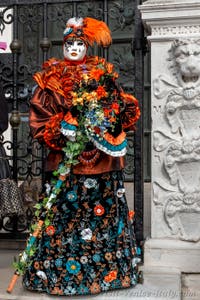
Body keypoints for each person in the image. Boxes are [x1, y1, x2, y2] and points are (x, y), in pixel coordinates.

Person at [22, 17, 141, 296]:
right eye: (69, 44)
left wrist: (105, 118)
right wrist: (67, 125)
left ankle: (107, 274)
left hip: (102, 162)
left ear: (87, 47)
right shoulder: (50, 80)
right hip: (67, 164)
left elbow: (121, 114)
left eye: (79, 43)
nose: (74, 48)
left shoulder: (104, 75)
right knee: (64, 218)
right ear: (62, 46)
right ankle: (61, 277)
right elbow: (39, 124)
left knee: (102, 217)